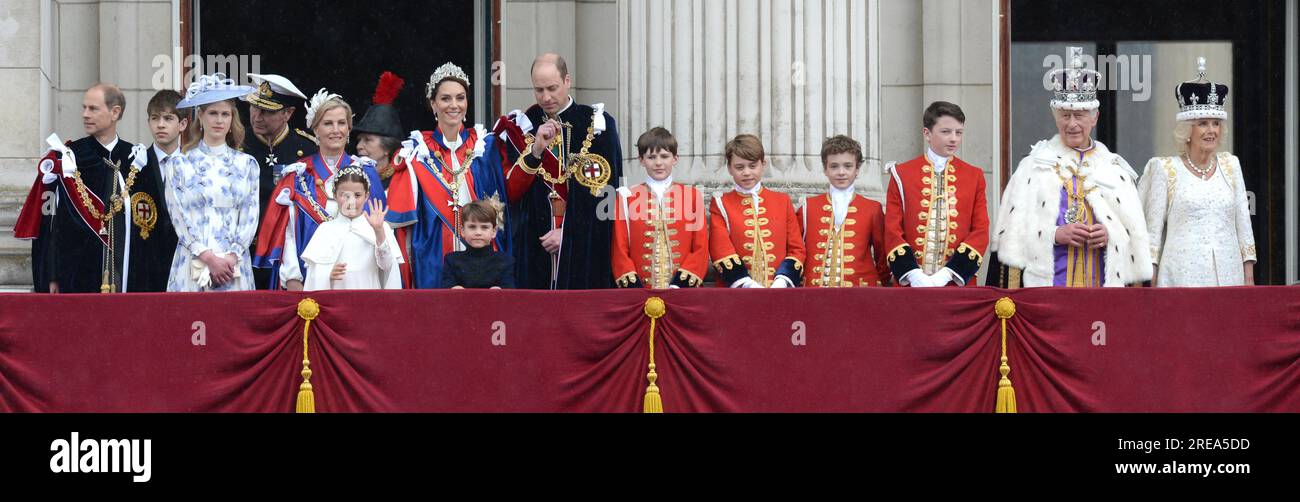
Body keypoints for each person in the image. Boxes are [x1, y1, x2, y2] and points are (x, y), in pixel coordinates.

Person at [988, 47, 1151, 288]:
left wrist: (1110, 235)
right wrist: (1054, 235)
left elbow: (1135, 239)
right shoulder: (1032, 168)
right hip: (1048, 291)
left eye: (1080, 115)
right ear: (1055, 117)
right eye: (1065, 116)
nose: (1072, 124)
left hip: (1102, 295)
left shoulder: (1116, 170)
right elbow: (1011, 237)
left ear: (1094, 118)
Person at [497, 53, 623, 290]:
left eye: (552, 88)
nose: (546, 97)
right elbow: (511, 194)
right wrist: (535, 151)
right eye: (539, 90)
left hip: (584, 247)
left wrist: (569, 234)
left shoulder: (598, 124)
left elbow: (607, 197)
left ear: (567, 80)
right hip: (535, 246)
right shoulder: (522, 126)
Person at [385, 62, 515, 289]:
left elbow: (505, 197)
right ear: (433, 104)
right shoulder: (417, 151)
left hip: (482, 252)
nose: (454, 105)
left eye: (460, 98)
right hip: (433, 251)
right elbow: (403, 219)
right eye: (445, 99)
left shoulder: (485, 146)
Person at [1138, 57, 1256, 287]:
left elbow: (1244, 230)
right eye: (1203, 123)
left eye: (1215, 123)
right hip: (1180, 279)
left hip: (1228, 278)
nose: (1211, 130)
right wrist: (1150, 288)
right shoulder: (1165, 169)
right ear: (1187, 130)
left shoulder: (1231, 166)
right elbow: (1152, 237)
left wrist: (1248, 279)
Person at [254, 90, 387, 291]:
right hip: (310, 282)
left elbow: (378, 232)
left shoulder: (367, 173)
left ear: (349, 128)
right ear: (315, 129)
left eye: (341, 123)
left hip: (359, 282)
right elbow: (288, 235)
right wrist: (293, 279)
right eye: (328, 123)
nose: (336, 130)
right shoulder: (298, 176)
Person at [14, 84, 140, 293]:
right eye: (84, 108)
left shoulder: (134, 157)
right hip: (75, 272)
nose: (85, 115)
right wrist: (52, 274)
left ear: (115, 112)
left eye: (93, 109)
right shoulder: (68, 157)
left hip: (125, 274)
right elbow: (52, 220)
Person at [164, 74, 260, 292]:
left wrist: (231, 256)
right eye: (213, 113)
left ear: (232, 119)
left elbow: (250, 216)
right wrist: (207, 257)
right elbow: (178, 216)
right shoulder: (179, 163)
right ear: (201, 116)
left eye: (225, 114)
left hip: (233, 265)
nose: (219, 120)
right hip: (192, 261)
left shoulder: (247, 165)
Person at [884, 102, 990, 288]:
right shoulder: (901, 174)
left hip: (955, 285)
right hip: (910, 285)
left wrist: (950, 273)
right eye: (946, 132)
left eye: (959, 132)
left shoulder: (974, 176)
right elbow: (892, 230)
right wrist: (912, 273)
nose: (954, 139)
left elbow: (981, 231)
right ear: (927, 133)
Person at [242, 73, 318, 290]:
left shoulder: (308, 149)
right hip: (246, 252)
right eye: (254, 107)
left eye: (266, 111)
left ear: (288, 113)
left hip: (290, 254)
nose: (257, 117)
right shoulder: (236, 144)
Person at [611, 127, 709, 289]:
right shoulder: (626, 197)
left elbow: (700, 248)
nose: (658, 163)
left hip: (683, 291)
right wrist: (634, 288)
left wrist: (680, 285)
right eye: (651, 157)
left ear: (675, 158)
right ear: (641, 160)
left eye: (664, 156)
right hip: (640, 291)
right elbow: (619, 248)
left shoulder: (692, 196)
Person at [708, 134, 805, 288]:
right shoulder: (721, 203)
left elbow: (797, 248)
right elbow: (720, 249)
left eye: (752, 166)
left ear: (763, 164)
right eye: (739, 167)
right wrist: (746, 284)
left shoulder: (782, 201)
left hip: (778, 292)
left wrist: (783, 280)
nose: (746, 172)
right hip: (736, 294)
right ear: (729, 168)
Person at [799, 135, 890, 288]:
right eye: (834, 166)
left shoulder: (872, 208)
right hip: (814, 292)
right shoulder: (808, 207)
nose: (841, 172)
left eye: (848, 166)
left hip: (859, 292)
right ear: (825, 169)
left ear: (857, 169)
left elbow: (882, 256)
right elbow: (797, 250)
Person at [301, 167, 403, 291]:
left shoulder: (381, 227)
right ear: (335, 196)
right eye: (345, 195)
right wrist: (326, 273)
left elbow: (387, 267)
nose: (351, 201)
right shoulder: (325, 230)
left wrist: (378, 232)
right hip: (336, 301)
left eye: (357, 195)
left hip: (369, 299)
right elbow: (312, 274)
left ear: (366, 196)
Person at [125, 90, 186, 292]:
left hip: (183, 264)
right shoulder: (134, 165)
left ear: (183, 124)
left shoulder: (193, 166)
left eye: (168, 118)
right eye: (155, 118)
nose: (160, 124)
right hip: (144, 267)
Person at [441, 199, 516, 289]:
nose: (478, 232)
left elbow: (510, 293)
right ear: (463, 231)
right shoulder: (451, 260)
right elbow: (446, 291)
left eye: (484, 227)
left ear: (494, 231)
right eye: (472, 227)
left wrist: (501, 292)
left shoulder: (506, 261)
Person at [354, 71, 407, 191]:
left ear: (387, 148)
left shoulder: (404, 181)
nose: (359, 146)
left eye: (367, 140)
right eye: (359, 140)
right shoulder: (351, 178)